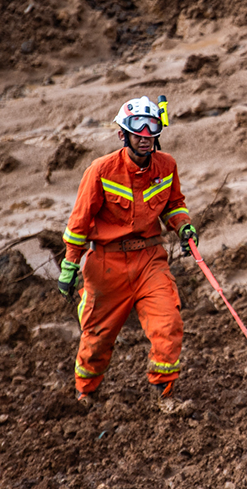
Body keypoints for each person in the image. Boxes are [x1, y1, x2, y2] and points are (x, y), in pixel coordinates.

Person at [56, 96, 198, 412]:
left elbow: (174, 204)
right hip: (107, 264)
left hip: (150, 260)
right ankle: (85, 393)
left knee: (169, 324)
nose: (145, 138)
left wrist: (184, 226)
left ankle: (164, 393)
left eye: (151, 133)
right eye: (138, 133)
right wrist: (69, 265)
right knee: (97, 338)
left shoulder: (167, 166)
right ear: (123, 135)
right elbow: (78, 223)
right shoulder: (100, 170)